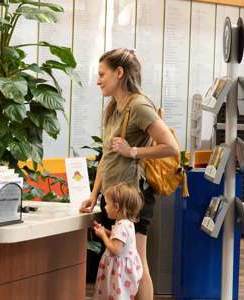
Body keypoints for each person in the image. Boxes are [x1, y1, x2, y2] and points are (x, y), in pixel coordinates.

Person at [80, 48, 179, 300]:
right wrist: (94, 195)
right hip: (114, 198)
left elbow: (171, 147)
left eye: (102, 74)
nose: (98, 80)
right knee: (121, 264)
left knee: (138, 264)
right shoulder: (114, 107)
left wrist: (133, 151)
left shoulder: (139, 106)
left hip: (133, 197)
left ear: (119, 73)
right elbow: (107, 157)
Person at [93, 182, 143, 300]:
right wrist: (104, 230)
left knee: (117, 296)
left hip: (119, 273)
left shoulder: (121, 225)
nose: (105, 207)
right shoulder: (127, 222)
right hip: (126, 269)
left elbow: (116, 249)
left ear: (116, 207)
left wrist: (103, 236)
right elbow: (119, 239)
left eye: (107, 204)